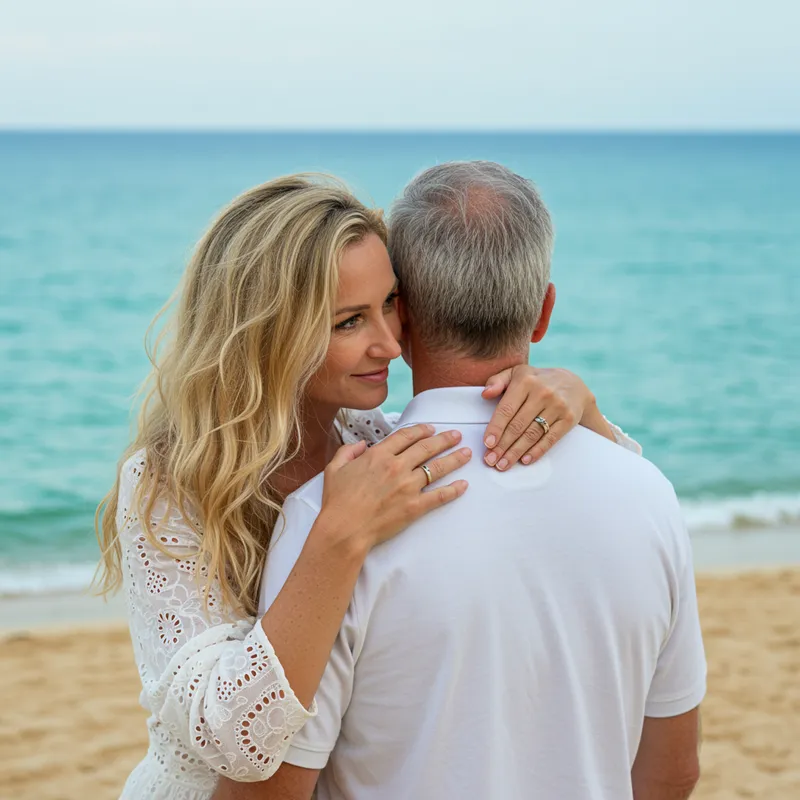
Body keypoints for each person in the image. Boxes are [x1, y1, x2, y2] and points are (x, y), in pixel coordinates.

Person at [96, 174, 638, 799]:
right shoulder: (169, 481)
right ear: (269, 333)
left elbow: (612, 499)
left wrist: (582, 409)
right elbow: (228, 741)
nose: (390, 341)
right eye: (350, 321)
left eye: (391, 304)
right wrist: (333, 541)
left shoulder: (369, 437)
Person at [216, 162, 706, 800]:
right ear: (544, 312)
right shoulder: (648, 495)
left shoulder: (332, 520)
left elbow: (268, 793)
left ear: (402, 320)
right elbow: (673, 771)